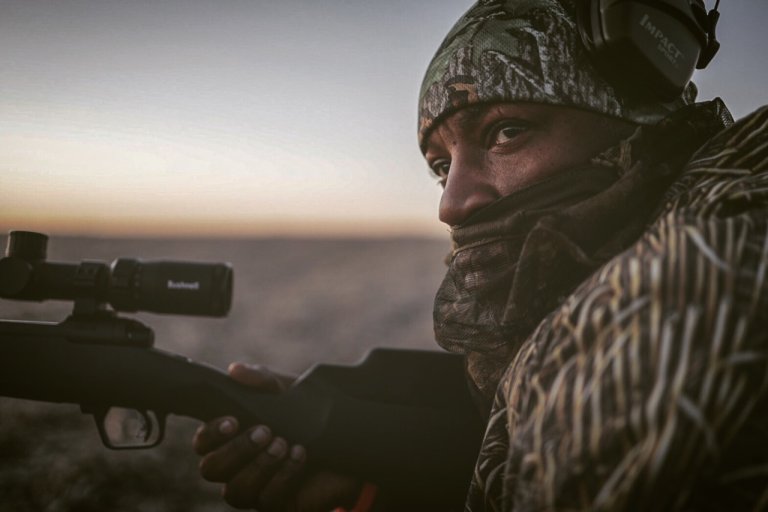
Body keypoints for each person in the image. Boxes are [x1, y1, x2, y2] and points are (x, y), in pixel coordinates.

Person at [193, 0, 768, 510]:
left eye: (506, 132)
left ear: (637, 126)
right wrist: (374, 492)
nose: (452, 203)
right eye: (441, 166)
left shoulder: (680, 300)